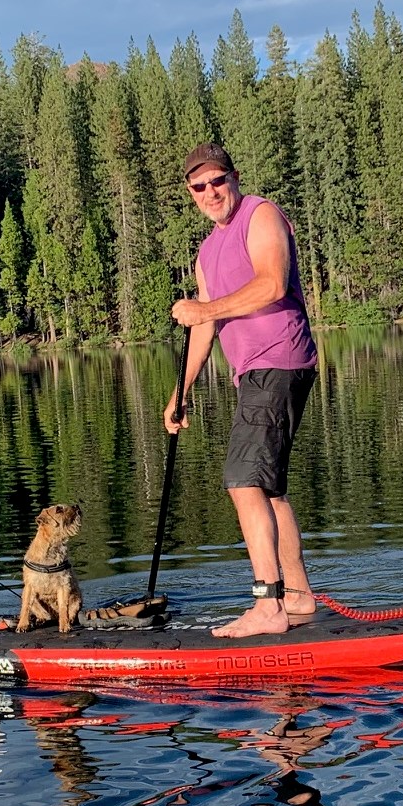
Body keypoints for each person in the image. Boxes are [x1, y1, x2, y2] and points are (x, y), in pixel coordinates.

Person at [166, 142, 319, 639]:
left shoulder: (261, 215)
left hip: (279, 359)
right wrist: (181, 391)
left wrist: (204, 309)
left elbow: (272, 284)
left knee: (242, 480)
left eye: (218, 181)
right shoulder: (206, 253)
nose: (210, 192)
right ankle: (298, 596)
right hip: (255, 372)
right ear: (190, 192)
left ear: (234, 178)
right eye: (199, 186)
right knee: (268, 489)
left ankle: (268, 605)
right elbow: (205, 329)